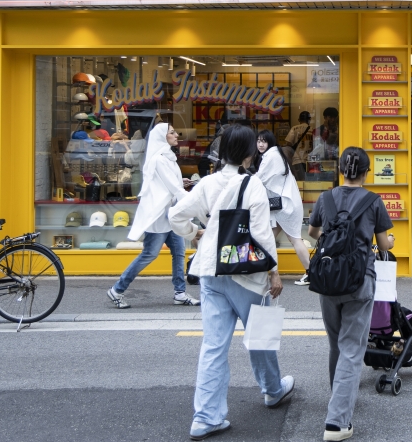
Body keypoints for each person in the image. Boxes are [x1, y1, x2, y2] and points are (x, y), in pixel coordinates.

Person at [170, 124, 293, 440]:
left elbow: (176, 215)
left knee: (213, 346)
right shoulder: (252, 185)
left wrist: (194, 234)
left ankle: (205, 417)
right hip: (246, 272)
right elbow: (263, 232)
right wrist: (274, 271)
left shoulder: (206, 183)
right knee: (261, 334)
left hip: (210, 271)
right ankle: (272, 389)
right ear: (249, 154)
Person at [308, 147, 394, 442]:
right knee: (352, 349)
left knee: (337, 345)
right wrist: (389, 238)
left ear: (341, 170)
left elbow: (313, 232)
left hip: (328, 279)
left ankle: (339, 398)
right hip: (359, 282)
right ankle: (336, 422)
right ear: (367, 172)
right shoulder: (373, 201)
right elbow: (384, 244)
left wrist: (334, 239)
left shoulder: (326, 197)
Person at [108, 122, 198, 309]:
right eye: (172, 132)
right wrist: (197, 202)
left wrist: (181, 182)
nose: (176, 135)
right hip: (159, 215)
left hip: (170, 213)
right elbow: (172, 188)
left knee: (179, 252)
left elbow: (168, 184)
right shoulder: (160, 159)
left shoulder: (167, 156)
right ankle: (117, 289)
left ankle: (180, 293)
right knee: (149, 254)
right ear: (162, 137)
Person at [255, 130, 311, 286]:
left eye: (263, 141)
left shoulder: (271, 156)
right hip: (285, 205)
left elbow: (259, 179)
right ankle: (260, 269)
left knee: (294, 239)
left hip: (285, 206)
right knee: (269, 237)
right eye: (258, 141)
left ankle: (312, 272)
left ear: (270, 142)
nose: (260, 144)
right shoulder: (274, 154)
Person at [283, 111, 312, 180]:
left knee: (299, 181)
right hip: (309, 159)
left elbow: (288, 143)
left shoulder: (294, 128)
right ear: (309, 119)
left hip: (297, 159)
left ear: (299, 120)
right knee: (308, 180)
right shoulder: (312, 129)